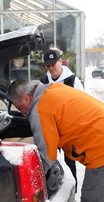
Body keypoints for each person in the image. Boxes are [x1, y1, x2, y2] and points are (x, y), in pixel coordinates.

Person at [40, 48, 84, 192]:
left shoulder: (72, 80)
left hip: (69, 129)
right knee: (51, 161)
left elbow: (82, 104)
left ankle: (73, 190)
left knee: (69, 161)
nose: (51, 68)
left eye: (54, 64)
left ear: (60, 62)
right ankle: (53, 190)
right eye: (48, 65)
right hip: (51, 128)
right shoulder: (43, 82)